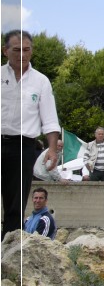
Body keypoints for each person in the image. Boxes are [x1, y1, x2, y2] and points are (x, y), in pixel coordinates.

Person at [2, 30, 61, 238]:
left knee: (15, 205)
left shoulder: (41, 81)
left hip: (23, 146)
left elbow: (50, 119)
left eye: (26, 50)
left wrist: (52, 149)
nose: (22, 54)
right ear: (5, 51)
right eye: (17, 50)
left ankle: (7, 257)